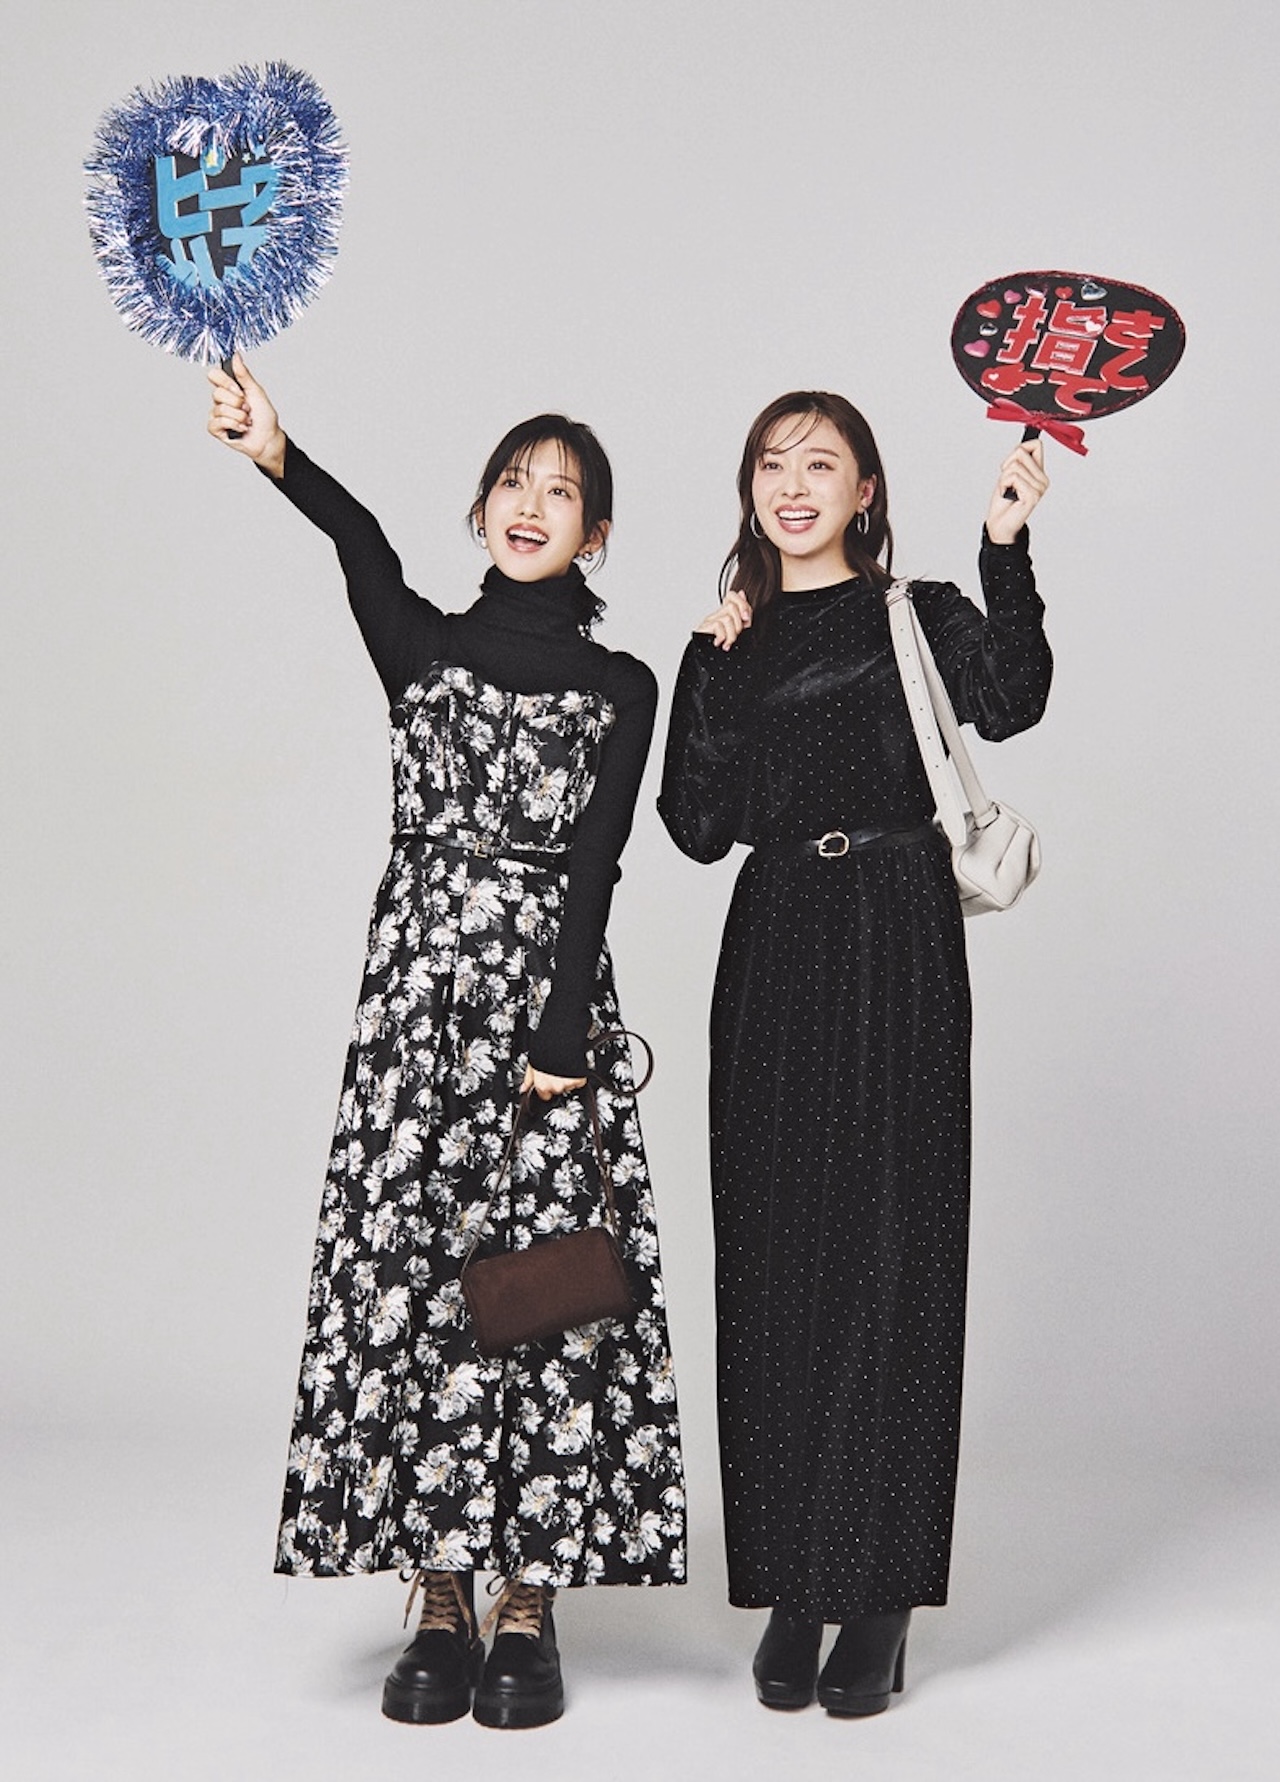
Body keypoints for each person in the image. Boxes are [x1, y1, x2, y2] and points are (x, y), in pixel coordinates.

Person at [207, 357, 685, 1731]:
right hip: (417, 1010)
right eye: (513, 484)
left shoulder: (623, 683)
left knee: (540, 1285)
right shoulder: (422, 648)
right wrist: (278, 451)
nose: (532, 505)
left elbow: (597, 865)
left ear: (597, 533)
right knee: (418, 1281)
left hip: (547, 1015)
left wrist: (562, 1033)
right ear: (480, 510)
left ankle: (529, 1596)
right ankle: (437, 1590)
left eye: (563, 493)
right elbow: (358, 543)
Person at [658, 391, 1051, 1717]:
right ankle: (791, 1582)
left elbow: (1014, 698)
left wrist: (1006, 543)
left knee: (895, 1249)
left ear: (866, 490)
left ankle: (878, 1592)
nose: (792, 483)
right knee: (775, 1255)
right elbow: (695, 827)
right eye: (771, 463)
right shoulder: (735, 640)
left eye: (820, 462)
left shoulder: (916, 611)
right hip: (775, 937)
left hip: (896, 929)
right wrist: (710, 671)